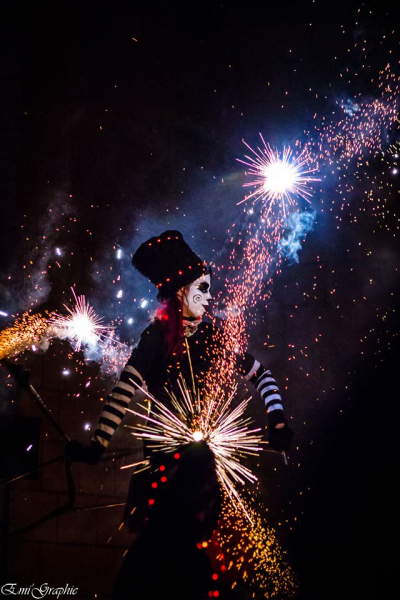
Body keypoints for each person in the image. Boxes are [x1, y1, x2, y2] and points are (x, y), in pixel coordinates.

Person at [67, 230, 292, 469]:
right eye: (202, 288)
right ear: (180, 291)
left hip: (203, 449)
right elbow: (124, 389)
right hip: (162, 452)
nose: (209, 297)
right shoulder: (156, 336)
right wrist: (98, 445)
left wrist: (277, 420)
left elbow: (261, 375)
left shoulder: (211, 336)